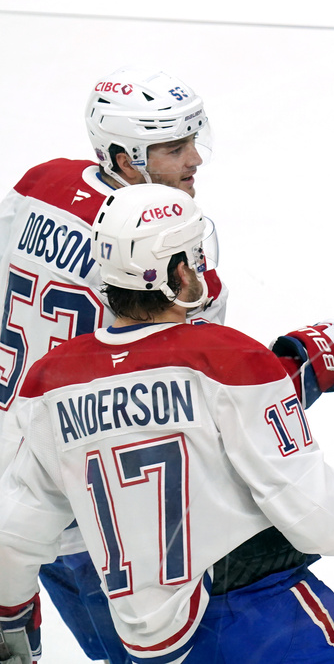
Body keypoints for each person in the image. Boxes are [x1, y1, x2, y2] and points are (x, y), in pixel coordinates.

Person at [0, 184, 334, 664]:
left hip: (149, 645)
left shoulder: (50, 381)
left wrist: (11, 615)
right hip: (257, 621)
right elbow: (312, 510)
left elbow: (14, 532)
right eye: (195, 256)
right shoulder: (226, 356)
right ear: (178, 271)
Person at [0, 65, 222, 664]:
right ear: (125, 157)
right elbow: (195, 380)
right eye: (176, 148)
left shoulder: (39, 183)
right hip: (92, 501)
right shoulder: (163, 241)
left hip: (12, 472)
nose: (195, 159)